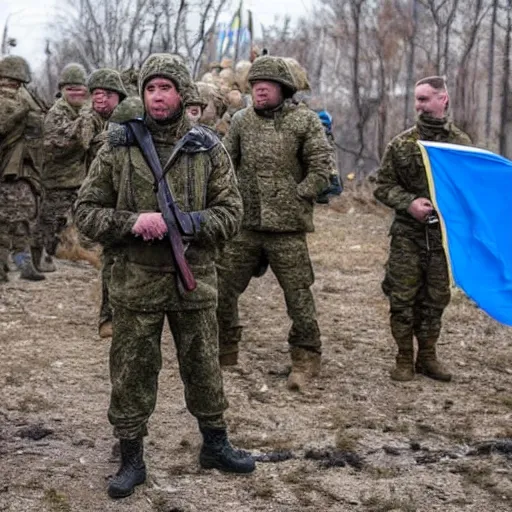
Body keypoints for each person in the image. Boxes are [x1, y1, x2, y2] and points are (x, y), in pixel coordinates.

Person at [74, 53, 255, 500]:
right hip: (136, 282)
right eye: (151, 88)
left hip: (194, 277)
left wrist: (185, 223)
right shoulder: (118, 145)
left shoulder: (207, 145)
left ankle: (215, 444)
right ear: (143, 94)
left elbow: (232, 213)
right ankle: (131, 457)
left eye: (166, 88)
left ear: (182, 94)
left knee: (204, 366)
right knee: (133, 371)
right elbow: (85, 212)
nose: (158, 96)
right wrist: (133, 222)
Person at [217, 55, 334, 391]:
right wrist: (229, 200)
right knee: (223, 289)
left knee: (298, 296)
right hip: (245, 226)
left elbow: (321, 169)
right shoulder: (241, 121)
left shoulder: (305, 122)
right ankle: (225, 351)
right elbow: (224, 165)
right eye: (254, 86)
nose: (259, 92)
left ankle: (305, 358)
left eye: (266, 86)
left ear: (283, 89)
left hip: (288, 229)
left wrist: (298, 195)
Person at [374, 76, 471, 382]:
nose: (419, 105)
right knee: (402, 297)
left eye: (426, 99)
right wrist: (409, 203)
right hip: (407, 235)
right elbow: (383, 186)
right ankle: (403, 358)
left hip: (442, 239)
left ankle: (427, 356)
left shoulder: (461, 145)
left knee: (435, 298)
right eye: (417, 99)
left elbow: (469, 190)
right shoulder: (402, 144)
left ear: (443, 100)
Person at [81, 68, 127, 338]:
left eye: (107, 94)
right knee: (111, 258)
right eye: (96, 94)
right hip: (103, 200)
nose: (100, 99)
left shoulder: (129, 121)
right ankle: (107, 316)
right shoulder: (89, 120)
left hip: (131, 197)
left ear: (119, 97)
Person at [32, 63, 89, 273]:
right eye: (70, 89)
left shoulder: (82, 111)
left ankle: (51, 255)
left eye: (80, 89)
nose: (76, 93)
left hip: (76, 178)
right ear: (62, 90)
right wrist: (84, 123)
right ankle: (37, 258)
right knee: (49, 220)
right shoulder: (58, 113)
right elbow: (57, 141)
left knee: (63, 221)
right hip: (58, 179)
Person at [0, 55, 45, 282]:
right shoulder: (25, 103)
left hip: (14, 168)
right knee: (18, 220)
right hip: (16, 171)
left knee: (12, 220)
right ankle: (20, 262)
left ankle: (14, 264)